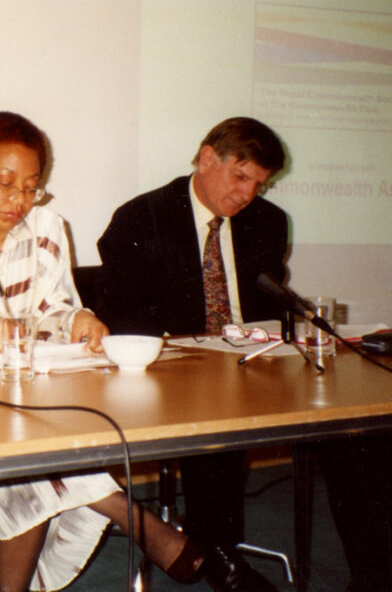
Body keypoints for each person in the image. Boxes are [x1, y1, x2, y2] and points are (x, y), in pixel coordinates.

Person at [0, 111, 258, 592]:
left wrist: (77, 319)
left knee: (36, 461)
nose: (20, 200)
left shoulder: (49, 226)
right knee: (30, 470)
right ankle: (133, 518)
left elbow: (55, 309)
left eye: (32, 187)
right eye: (6, 184)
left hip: (33, 399)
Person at [97, 116, 392, 591]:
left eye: (260, 183)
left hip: (257, 364)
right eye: (241, 177)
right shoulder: (141, 217)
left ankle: (374, 572)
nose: (248, 195)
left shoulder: (268, 223)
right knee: (217, 415)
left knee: (356, 425)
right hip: (180, 371)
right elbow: (121, 315)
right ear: (207, 157)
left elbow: (273, 304)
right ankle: (218, 554)